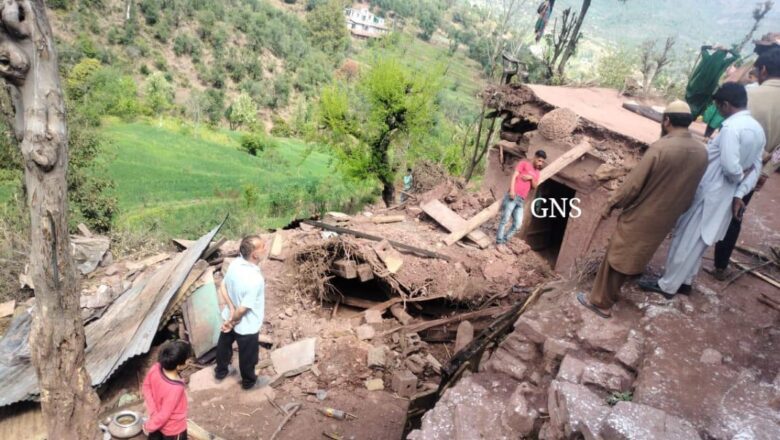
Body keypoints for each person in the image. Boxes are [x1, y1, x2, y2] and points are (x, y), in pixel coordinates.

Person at [577, 101, 708, 318]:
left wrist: (611, 203)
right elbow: (692, 190)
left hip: (644, 212)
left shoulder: (662, 148)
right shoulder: (701, 152)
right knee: (637, 252)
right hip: (668, 216)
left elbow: (633, 185)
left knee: (617, 255)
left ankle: (600, 303)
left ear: (667, 120)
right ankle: (613, 294)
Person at [640, 83, 765, 298]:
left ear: (725, 104)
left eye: (718, 106)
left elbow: (730, 166)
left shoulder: (731, 129)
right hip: (726, 195)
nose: (718, 110)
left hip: (710, 191)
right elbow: (757, 167)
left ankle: (667, 285)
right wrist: (739, 191)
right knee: (700, 241)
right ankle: (685, 281)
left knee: (686, 239)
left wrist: (738, 176)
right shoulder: (758, 129)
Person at [712, 48, 780, 280]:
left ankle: (689, 251)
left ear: (763, 70)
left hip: (726, 162)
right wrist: (765, 171)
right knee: (736, 212)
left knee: (706, 204)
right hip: (755, 169)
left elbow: (728, 127)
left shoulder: (748, 94)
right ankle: (720, 265)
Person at [215, 235, 266, 389]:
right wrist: (233, 319)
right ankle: (249, 382)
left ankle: (221, 372)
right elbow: (243, 309)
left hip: (230, 317)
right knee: (248, 356)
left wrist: (230, 313)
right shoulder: (255, 279)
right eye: (263, 246)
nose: (266, 248)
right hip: (246, 325)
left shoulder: (235, 264)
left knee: (223, 346)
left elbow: (223, 287)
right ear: (255, 255)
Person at [142, 340, 191, 440]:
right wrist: (149, 426)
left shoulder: (156, 368)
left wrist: (153, 413)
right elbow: (164, 415)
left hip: (156, 421)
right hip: (173, 430)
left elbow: (146, 387)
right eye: (187, 360)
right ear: (179, 366)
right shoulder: (176, 387)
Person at [496, 150, 546, 245]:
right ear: (535, 157)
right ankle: (499, 243)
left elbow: (534, 186)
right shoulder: (524, 164)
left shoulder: (537, 172)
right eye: (539, 160)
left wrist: (531, 178)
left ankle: (504, 240)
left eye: (542, 162)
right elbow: (514, 176)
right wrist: (512, 190)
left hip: (521, 200)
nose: (540, 163)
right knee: (505, 220)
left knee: (518, 225)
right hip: (513, 195)